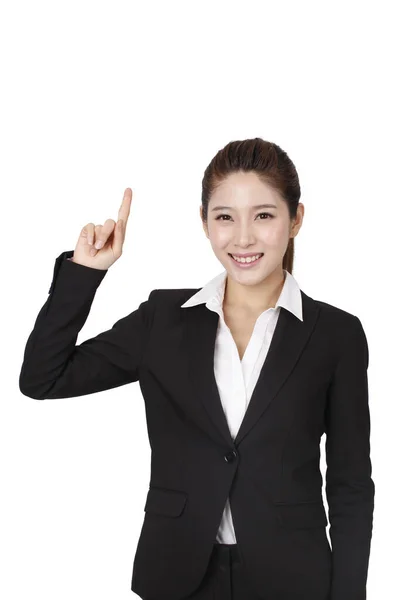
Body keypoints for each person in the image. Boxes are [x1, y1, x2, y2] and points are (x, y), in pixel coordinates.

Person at [19, 138, 374, 600]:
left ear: (296, 219)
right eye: (224, 217)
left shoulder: (337, 334)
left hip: (293, 576)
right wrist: (85, 273)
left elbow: (350, 483)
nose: (243, 237)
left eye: (263, 215)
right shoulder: (163, 318)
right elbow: (43, 378)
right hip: (176, 573)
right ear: (204, 222)